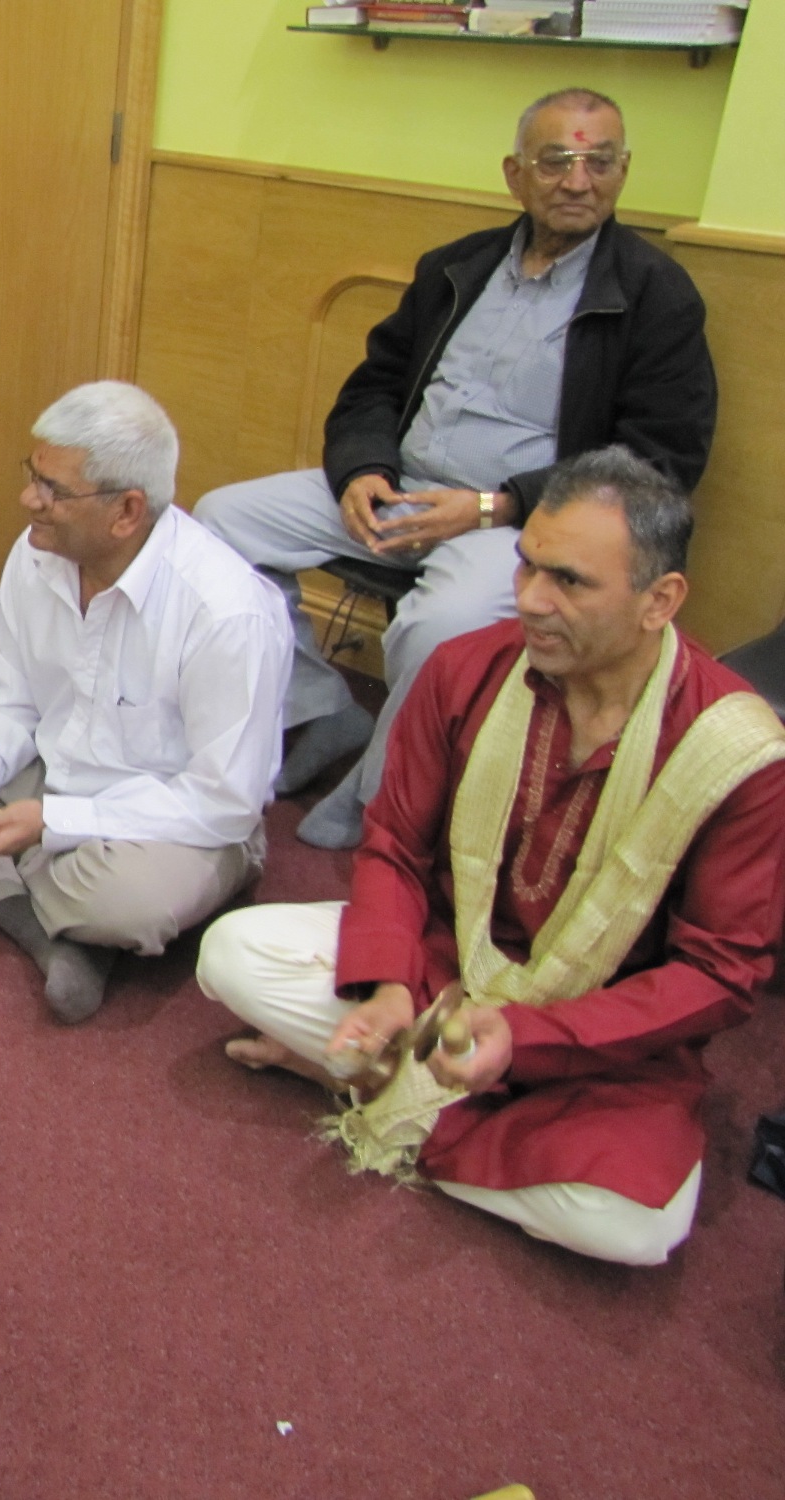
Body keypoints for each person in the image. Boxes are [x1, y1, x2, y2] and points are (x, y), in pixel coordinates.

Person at [197, 447, 785, 1267]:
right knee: (231, 954)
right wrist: (392, 987)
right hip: (444, 975)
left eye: (570, 582)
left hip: (597, 1041)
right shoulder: (469, 669)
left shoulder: (736, 753)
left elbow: (719, 973)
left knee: (634, 1229)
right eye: (526, 567)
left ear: (661, 601)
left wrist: (529, 1035)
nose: (531, 602)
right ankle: (427, 1086)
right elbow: (396, 846)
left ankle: (377, 1090)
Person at [195, 88, 715, 850]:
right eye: (557, 161)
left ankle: (380, 792)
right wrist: (363, 471)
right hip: (401, 486)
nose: (579, 181)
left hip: (527, 521)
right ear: (515, 174)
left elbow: (659, 458)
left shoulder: (655, 296)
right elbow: (374, 384)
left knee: (437, 625)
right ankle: (318, 711)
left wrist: (496, 508)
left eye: (600, 162)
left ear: (623, 171)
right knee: (218, 525)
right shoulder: (459, 267)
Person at [0, 382, 292, 1023]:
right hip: (50, 783)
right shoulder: (37, 555)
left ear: (127, 511)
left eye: (53, 490)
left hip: (168, 827)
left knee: (130, 902)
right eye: (32, 475)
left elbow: (222, 802)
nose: (29, 499)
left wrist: (53, 823)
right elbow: (10, 700)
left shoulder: (226, 613)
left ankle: (38, 900)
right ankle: (49, 934)